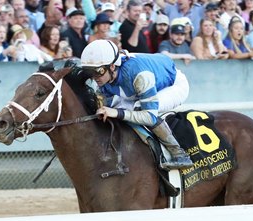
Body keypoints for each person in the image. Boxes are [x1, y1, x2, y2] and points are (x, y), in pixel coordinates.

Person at [80, 39, 193, 169]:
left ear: (112, 66)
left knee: (138, 108)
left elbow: (149, 117)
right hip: (139, 83)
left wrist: (117, 113)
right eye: (89, 72)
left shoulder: (140, 75)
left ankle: (179, 154)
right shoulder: (107, 74)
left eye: (98, 71)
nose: (95, 77)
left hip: (173, 85)